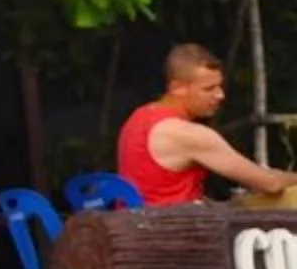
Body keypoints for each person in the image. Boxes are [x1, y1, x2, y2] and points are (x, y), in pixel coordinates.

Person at [117, 44, 297, 204]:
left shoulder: (138, 116)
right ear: (177, 88)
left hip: (134, 227)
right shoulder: (188, 134)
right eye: (209, 89)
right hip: (171, 233)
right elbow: (270, 183)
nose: (220, 95)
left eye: (219, 86)